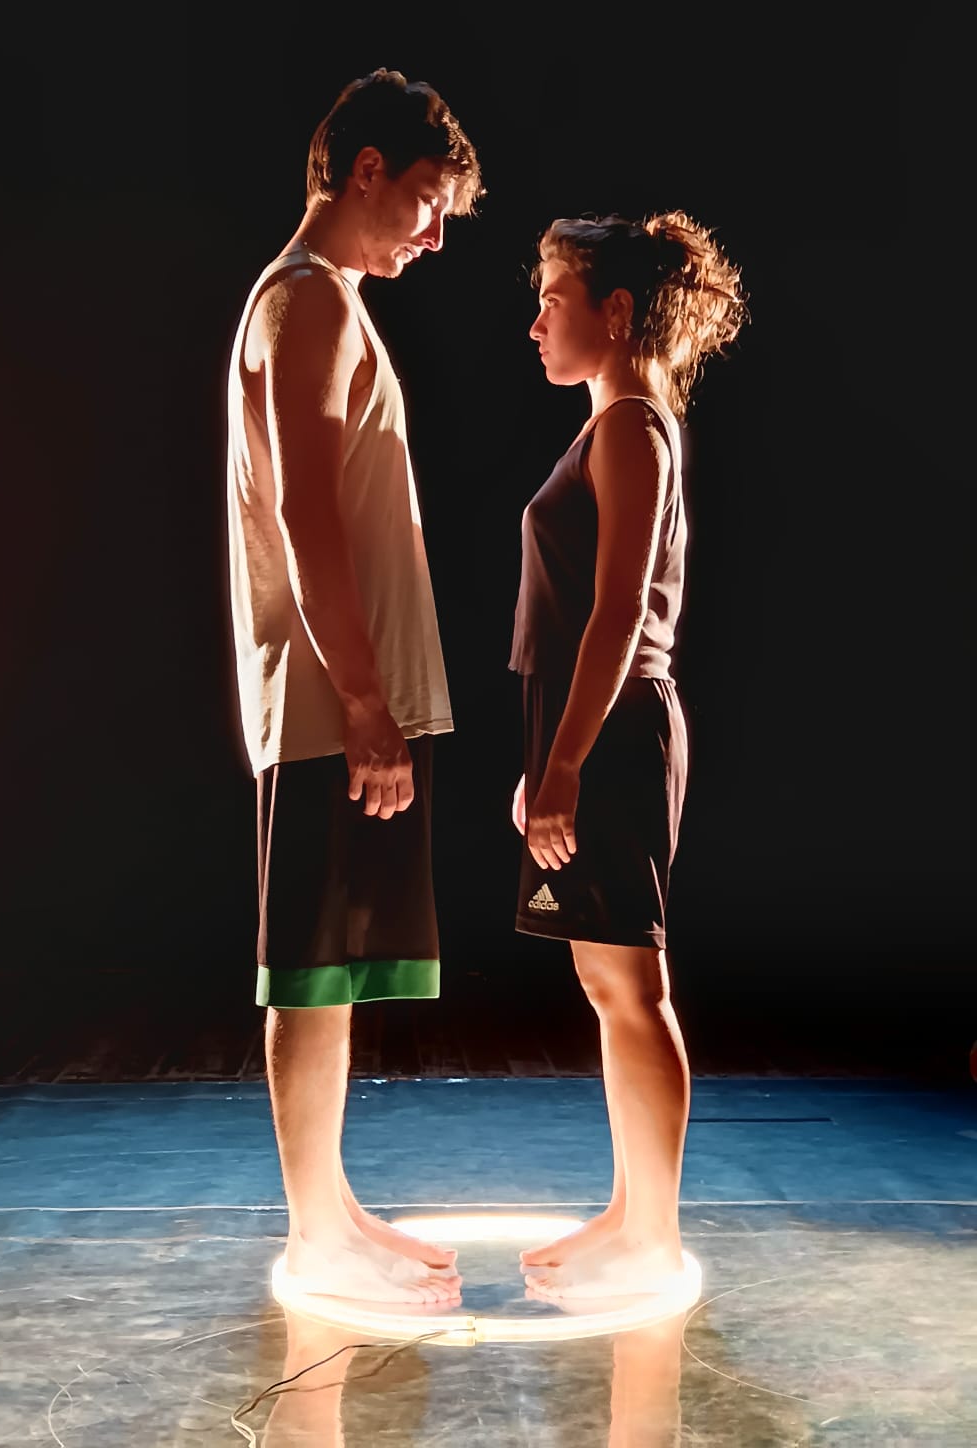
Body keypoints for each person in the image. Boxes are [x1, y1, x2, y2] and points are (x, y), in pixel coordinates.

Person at [225, 69, 483, 1303]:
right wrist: (367, 702)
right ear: (367, 170)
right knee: (310, 966)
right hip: (333, 704)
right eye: (428, 201)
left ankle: (328, 1208)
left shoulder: (323, 300)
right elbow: (306, 511)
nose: (433, 236)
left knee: (331, 969)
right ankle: (313, 1231)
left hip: (343, 698)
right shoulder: (309, 300)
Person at [508, 210, 748, 1298]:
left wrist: (563, 764)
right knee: (608, 981)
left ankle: (653, 1230)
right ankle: (629, 1210)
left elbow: (616, 617)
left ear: (614, 311)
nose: (536, 324)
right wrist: (546, 758)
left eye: (552, 300)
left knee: (632, 984)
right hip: (589, 728)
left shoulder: (631, 428)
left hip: (612, 733)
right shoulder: (622, 423)